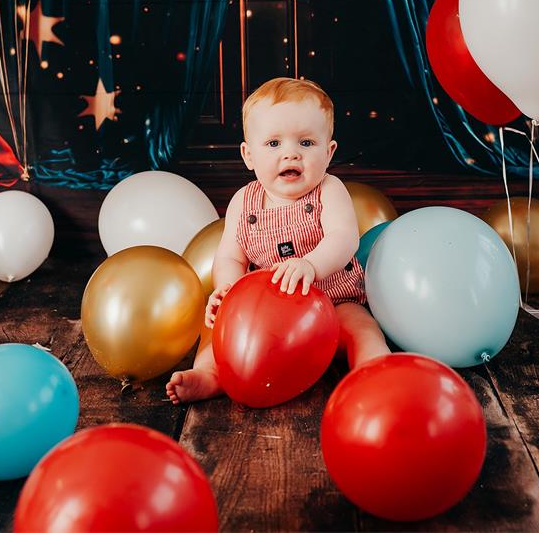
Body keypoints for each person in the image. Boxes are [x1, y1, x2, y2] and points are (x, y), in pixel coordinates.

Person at [166, 77, 390, 404]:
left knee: (362, 328)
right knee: (217, 331)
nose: (291, 155)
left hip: (333, 302)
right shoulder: (244, 201)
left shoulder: (329, 190)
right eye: (274, 144)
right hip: (268, 318)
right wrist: (227, 290)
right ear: (248, 155)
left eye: (306, 143)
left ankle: (372, 369)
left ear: (328, 153)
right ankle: (211, 374)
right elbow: (231, 257)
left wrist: (311, 264)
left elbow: (345, 239)